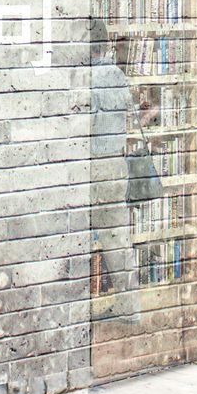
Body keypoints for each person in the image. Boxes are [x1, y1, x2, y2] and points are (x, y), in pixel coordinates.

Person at [88, 18, 144, 320]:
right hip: (116, 163)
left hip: (91, 166)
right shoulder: (118, 75)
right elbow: (130, 116)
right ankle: (130, 306)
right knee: (118, 240)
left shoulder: (86, 79)